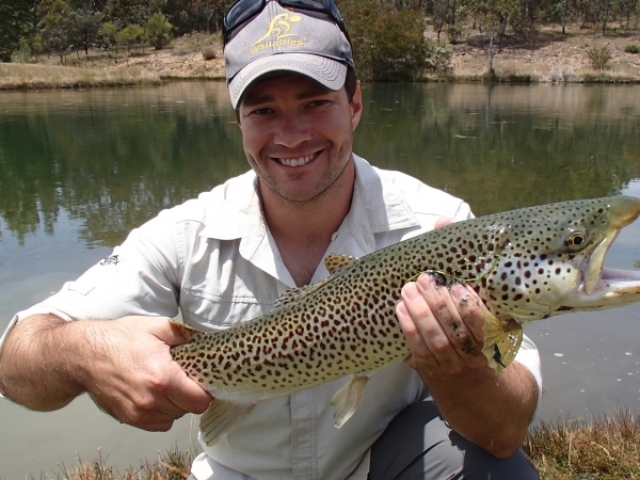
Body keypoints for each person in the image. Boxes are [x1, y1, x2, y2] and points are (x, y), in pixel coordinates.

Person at [0, 0, 542, 478]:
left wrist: (465, 371)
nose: (291, 135)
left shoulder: (440, 229)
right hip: (238, 474)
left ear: (354, 105)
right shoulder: (184, 233)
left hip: (383, 462)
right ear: (238, 120)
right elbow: (16, 362)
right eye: (263, 110)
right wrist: (86, 353)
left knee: (493, 469)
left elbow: (506, 428)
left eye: (314, 103)